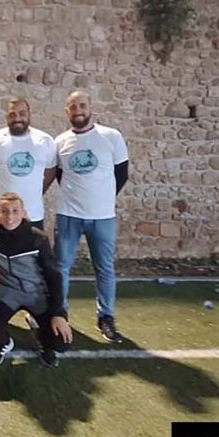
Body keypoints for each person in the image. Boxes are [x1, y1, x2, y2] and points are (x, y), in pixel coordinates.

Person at [53, 90, 130, 343]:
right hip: (69, 216)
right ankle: (60, 313)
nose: (78, 111)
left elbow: (122, 174)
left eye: (82, 105)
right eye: (73, 107)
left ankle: (106, 317)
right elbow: (60, 176)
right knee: (61, 268)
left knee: (104, 268)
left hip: (103, 217)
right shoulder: (60, 142)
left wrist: (102, 198)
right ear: (67, 112)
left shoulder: (111, 137)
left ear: (90, 108)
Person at [0, 192, 73, 368]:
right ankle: (4, 344)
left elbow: (54, 277)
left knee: (60, 341)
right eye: (5, 211)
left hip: (36, 293)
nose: (10, 216)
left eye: (15, 211)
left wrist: (59, 314)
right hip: (8, 291)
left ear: (24, 214)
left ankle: (44, 341)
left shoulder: (38, 238)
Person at [0, 97, 58, 229]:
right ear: (7, 117)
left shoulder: (45, 141)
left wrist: (36, 192)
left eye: (22, 114)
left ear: (29, 114)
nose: (17, 118)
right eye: (12, 114)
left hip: (33, 214)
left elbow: (50, 173)